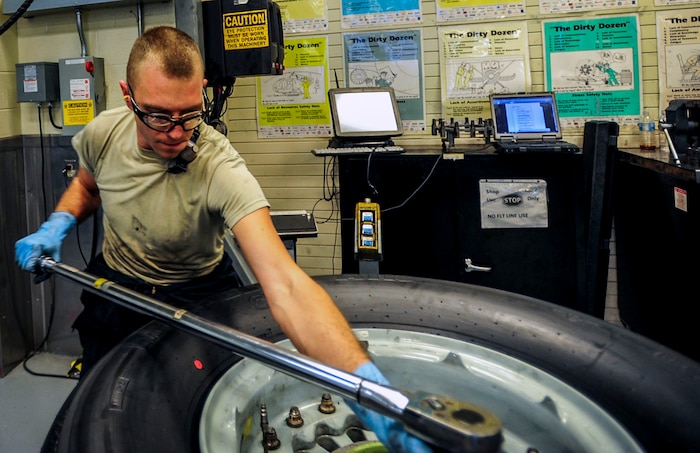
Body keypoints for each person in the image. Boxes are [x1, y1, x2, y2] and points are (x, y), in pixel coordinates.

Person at [15, 26, 431, 453]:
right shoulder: (103, 133)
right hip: (118, 290)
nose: (176, 133)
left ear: (203, 93)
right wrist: (56, 225)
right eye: (158, 115)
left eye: (190, 114)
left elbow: (285, 284)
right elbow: (87, 186)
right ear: (128, 96)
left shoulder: (219, 165)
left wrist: (371, 389)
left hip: (198, 294)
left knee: (190, 414)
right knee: (94, 409)